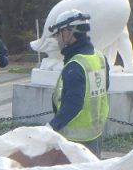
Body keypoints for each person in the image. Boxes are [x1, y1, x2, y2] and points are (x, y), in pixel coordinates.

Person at [47, 9, 110, 156]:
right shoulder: (99, 57)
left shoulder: (75, 66)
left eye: (59, 34)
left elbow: (73, 104)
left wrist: (51, 127)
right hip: (95, 133)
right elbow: (105, 86)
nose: (58, 39)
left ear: (68, 32)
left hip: (75, 139)